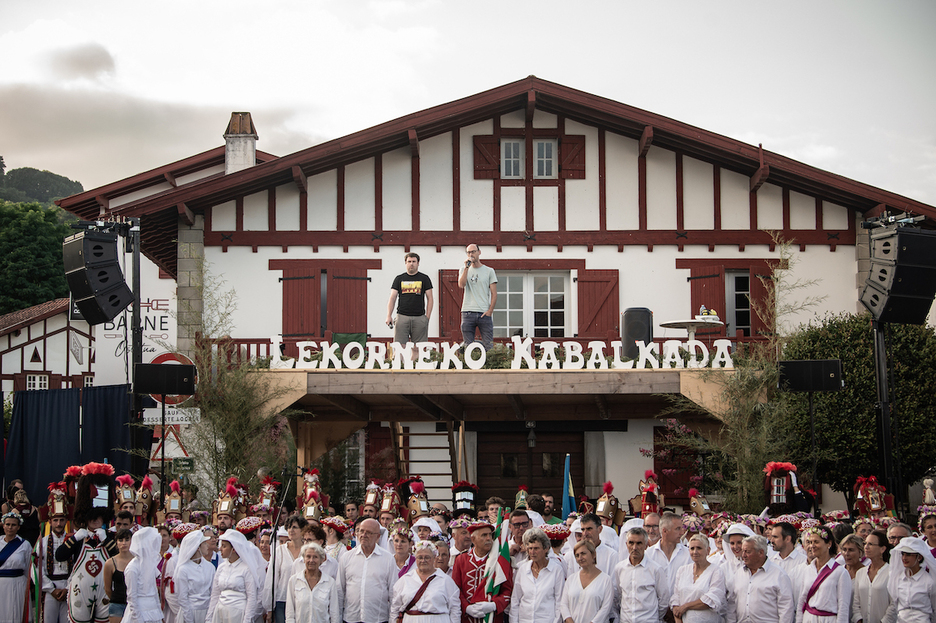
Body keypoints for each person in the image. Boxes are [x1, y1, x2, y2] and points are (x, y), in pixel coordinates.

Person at [336, 518, 396, 623]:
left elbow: (393, 593)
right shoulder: (346, 557)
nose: (363, 535)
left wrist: (392, 620)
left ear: (378, 536)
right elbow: (340, 590)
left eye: (368, 532)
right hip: (351, 618)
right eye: (361, 531)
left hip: (377, 619)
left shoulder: (388, 559)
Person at [452, 521, 513, 623]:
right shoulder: (461, 559)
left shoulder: (500, 561)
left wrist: (494, 605)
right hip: (467, 619)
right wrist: (466, 608)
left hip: (493, 618)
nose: (489, 538)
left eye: (490, 535)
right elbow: (455, 589)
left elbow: (508, 590)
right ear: (473, 539)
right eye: (484, 535)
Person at [725, 535, 794, 623]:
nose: (743, 555)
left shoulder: (779, 575)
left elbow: (786, 608)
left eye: (748, 552)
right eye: (743, 551)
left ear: (761, 553)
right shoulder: (739, 574)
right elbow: (732, 604)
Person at [390, 541, 460, 623]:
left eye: (427, 557)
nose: (423, 561)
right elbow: (395, 609)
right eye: (420, 557)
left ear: (434, 558)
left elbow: (455, 609)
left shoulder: (445, 580)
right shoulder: (405, 580)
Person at [612, 526, 669, 623]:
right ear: (626, 544)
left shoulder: (655, 569)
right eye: (631, 543)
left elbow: (663, 600)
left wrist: (653, 617)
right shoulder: (619, 568)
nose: (634, 547)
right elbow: (618, 596)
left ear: (646, 545)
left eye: (639, 543)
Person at [207, 529, 264, 623]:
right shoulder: (221, 568)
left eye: (224, 546)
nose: (220, 548)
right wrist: (209, 618)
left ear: (234, 549)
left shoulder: (246, 569)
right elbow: (215, 595)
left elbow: (251, 597)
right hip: (220, 612)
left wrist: (247, 619)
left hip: (237, 614)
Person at [796, 526, 851, 623]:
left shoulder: (840, 572)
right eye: (810, 542)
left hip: (828, 620)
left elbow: (843, 607)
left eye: (816, 542)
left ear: (829, 544)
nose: (812, 546)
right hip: (809, 618)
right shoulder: (808, 570)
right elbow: (802, 600)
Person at [509, 528, 565, 623]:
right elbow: (515, 600)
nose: (532, 552)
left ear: (546, 548)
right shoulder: (522, 569)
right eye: (530, 548)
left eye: (536, 548)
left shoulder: (556, 569)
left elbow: (559, 602)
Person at [670, 533, 726, 623]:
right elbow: (676, 597)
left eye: (699, 548)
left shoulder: (716, 571)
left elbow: (713, 599)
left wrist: (685, 606)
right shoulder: (682, 570)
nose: (695, 552)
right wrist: (678, 618)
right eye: (692, 548)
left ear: (708, 550)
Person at [264, 515, 307, 623]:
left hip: (303, 599)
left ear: (302, 530)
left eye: (294, 527)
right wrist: (269, 607)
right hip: (282, 600)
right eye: (289, 527)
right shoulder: (280, 551)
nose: (291, 530)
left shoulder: (308, 551)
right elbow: (271, 578)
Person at [386, 252, 434, 347]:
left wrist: (427, 317)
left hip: (419, 318)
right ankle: (400, 362)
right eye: (409, 261)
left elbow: (430, 298)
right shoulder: (399, 279)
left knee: (418, 348)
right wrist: (388, 315)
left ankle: (415, 362)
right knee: (399, 347)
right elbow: (392, 298)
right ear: (405, 263)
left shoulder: (424, 278)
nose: (411, 264)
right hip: (402, 317)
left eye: (414, 261)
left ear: (418, 263)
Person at [883, 538, 936, 623]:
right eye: (903, 554)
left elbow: (934, 609)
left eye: (908, 554)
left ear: (919, 557)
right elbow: (895, 605)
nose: (904, 558)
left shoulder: (929, 581)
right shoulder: (898, 578)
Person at [560, 540, 614, 623]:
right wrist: (569, 620)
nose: (580, 558)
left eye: (583, 553)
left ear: (593, 554)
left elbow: (605, 608)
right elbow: (564, 604)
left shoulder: (606, 580)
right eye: (577, 555)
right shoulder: (571, 579)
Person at [285, 543, 339, 623]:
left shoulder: (330, 582)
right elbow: (290, 613)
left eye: (315, 557)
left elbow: (334, 614)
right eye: (308, 557)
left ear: (321, 560)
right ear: (303, 559)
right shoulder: (294, 581)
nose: (311, 560)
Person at [458, 243, 497, 351]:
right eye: (468, 252)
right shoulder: (463, 269)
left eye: (473, 251)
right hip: (467, 312)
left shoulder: (489, 271)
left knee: (488, 345)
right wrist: (466, 268)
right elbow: (461, 285)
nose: (471, 254)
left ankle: (490, 367)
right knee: (467, 346)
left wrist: (490, 311)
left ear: (479, 252)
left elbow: (494, 293)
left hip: (484, 312)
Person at [122, 527, 164, 623]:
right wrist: (137, 619)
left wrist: (159, 612)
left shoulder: (150, 565)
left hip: (153, 610)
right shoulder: (133, 567)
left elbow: (153, 590)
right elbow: (132, 597)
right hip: (140, 611)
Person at [174, 530, 215, 623]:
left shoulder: (210, 567)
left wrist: (210, 616)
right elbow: (182, 598)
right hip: (189, 612)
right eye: (204, 543)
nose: (207, 545)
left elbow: (213, 593)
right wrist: (189, 620)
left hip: (206, 612)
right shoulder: (183, 569)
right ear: (197, 547)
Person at [39, 508, 72, 623]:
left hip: (68, 585)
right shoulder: (42, 542)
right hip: (49, 587)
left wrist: (68, 588)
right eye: (55, 520)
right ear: (50, 522)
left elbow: (77, 565)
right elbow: (37, 568)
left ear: (66, 521)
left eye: (62, 520)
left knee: (67, 620)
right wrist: (51, 589)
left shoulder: (72, 541)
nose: (58, 524)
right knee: (49, 620)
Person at [0, 510, 33, 623]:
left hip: (18, 584)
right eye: (8, 524)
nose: (10, 527)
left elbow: (29, 568)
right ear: (3, 525)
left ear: (18, 527)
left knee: (16, 612)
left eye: (13, 525)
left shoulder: (25, 545)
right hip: (1, 584)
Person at [852, 529, 890, 623]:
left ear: (882, 549)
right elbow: (856, 601)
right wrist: (858, 619)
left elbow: (894, 603)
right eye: (865, 543)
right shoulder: (861, 572)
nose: (866, 547)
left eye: (871, 544)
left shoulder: (891, 572)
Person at [646, 511, 690, 593]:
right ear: (665, 531)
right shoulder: (648, 554)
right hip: (656, 604)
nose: (682, 532)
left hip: (680, 604)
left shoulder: (688, 555)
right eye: (677, 529)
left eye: (681, 528)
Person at [103, 529, 133, 623]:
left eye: (127, 539)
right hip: (117, 604)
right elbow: (107, 589)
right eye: (120, 540)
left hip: (134, 604)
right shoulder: (110, 563)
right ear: (116, 543)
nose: (124, 543)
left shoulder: (138, 560)